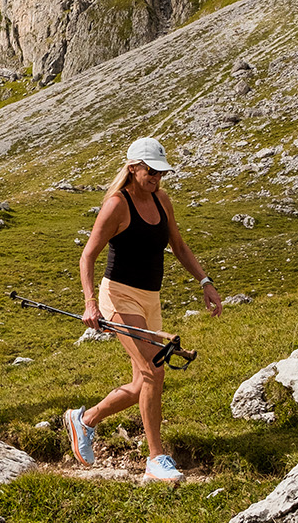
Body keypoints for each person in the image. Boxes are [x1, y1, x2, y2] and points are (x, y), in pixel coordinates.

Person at [66, 137, 222, 485]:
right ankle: (155, 458)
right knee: (154, 371)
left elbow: (178, 246)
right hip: (118, 297)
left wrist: (205, 282)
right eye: (151, 171)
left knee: (142, 382)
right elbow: (87, 255)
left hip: (151, 299)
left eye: (161, 173)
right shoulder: (116, 205)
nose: (156, 178)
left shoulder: (161, 200)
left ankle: (85, 420)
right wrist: (91, 303)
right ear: (133, 167)